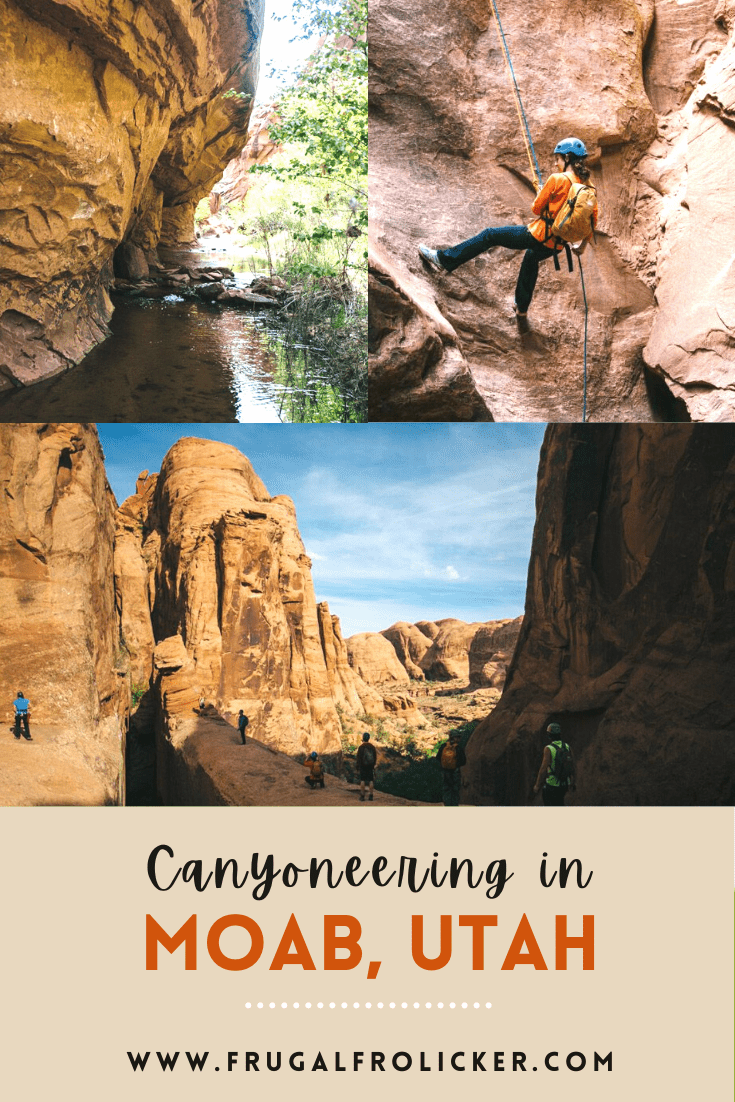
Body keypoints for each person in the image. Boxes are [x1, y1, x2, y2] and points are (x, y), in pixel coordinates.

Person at [418, 138, 598, 321]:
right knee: (531, 257)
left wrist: (542, 193)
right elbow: (592, 220)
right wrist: (582, 246)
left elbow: (536, 209)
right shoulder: (588, 187)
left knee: (490, 235)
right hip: (557, 244)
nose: (555, 162)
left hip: (539, 235)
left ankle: (444, 259)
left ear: (567, 158)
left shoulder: (557, 179)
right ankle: (521, 308)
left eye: (558, 159)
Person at [533, 722, 575, 805]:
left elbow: (543, 768)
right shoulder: (567, 747)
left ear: (549, 735)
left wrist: (537, 785)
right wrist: (573, 782)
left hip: (552, 785)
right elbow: (573, 766)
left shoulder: (549, 748)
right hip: (565, 784)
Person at [438, 730, 466, 806]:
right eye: (458, 737)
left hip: (445, 772)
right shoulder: (458, 748)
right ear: (455, 738)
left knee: (446, 789)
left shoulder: (443, 746)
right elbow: (463, 761)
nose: (460, 739)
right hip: (455, 772)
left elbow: (438, 758)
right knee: (455, 790)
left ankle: (447, 805)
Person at [356, 731, 377, 802]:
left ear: (363, 738)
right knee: (371, 780)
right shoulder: (372, 747)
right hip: (370, 766)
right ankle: (371, 795)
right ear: (369, 738)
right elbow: (375, 757)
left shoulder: (361, 747)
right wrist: (373, 765)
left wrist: (358, 766)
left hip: (363, 766)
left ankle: (362, 796)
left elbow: (358, 758)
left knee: (363, 780)